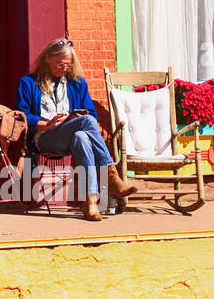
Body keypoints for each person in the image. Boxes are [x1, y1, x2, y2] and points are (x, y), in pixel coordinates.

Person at [16, 38, 137, 221]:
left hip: (71, 136)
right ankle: (111, 174)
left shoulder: (77, 84)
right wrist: (45, 124)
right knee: (86, 123)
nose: (64, 68)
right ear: (47, 58)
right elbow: (22, 114)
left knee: (82, 134)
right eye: (60, 64)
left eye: (68, 64)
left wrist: (75, 118)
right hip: (45, 137)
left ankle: (90, 202)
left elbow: (91, 115)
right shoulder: (28, 83)